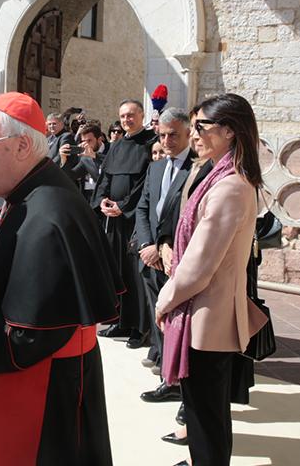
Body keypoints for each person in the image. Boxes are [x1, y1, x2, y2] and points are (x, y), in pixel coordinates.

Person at [0, 92, 122, 466]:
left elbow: (32, 337)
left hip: (40, 391)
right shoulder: (9, 193)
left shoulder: (52, 215)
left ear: (21, 146)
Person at [156, 93, 268, 466]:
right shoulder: (221, 177)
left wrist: (164, 301)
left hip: (207, 316)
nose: (194, 134)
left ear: (230, 131)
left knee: (206, 414)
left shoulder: (229, 186)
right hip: (204, 311)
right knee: (207, 410)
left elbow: (199, 266)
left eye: (201, 126)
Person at [134, 108, 209, 404]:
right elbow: (143, 208)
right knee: (160, 322)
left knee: (179, 323)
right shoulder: (155, 168)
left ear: (189, 134)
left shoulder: (200, 168)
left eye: (173, 135)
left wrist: (162, 245)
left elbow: (188, 218)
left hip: (177, 260)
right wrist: (146, 244)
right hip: (151, 258)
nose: (166, 141)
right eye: (162, 135)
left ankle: (182, 381)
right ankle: (168, 378)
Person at [94, 99, 156, 346]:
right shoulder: (117, 145)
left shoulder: (150, 143)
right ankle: (121, 321)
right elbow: (105, 178)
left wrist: (124, 206)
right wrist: (102, 200)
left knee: (135, 274)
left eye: (131, 115)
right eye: (122, 116)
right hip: (114, 220)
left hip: (135, 219)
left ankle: (140, 328)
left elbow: (145, 182)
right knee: (117, 271)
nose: (126, 120)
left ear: (141, 115)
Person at [60, 121, 108, 204]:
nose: (86, 144)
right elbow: (71, 176)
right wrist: (63, 159)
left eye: (89, 140)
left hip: (106, 197)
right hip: (88, 197)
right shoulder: (85, 157)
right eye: (83, 141)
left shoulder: (111, 149)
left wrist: (95, 156)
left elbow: (110, 169)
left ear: (99, 139)